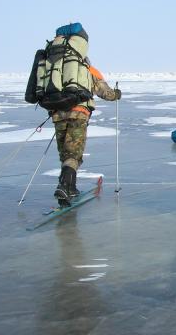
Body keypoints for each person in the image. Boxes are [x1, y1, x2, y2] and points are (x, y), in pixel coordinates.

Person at [27, 23, 121, 205]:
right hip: (78, 112)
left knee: (65, 152)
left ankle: (69, 188)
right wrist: (117, 94)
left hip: (56, 111)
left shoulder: (51, 61)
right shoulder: (84, 64)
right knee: (74, 152)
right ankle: (65, 187)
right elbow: (105, 92)